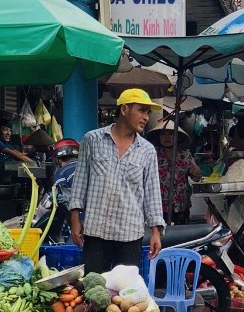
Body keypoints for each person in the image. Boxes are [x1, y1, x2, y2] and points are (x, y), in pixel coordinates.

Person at [70, 88, 165, 273]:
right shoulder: (92, 140)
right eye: (141, 110)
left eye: (148, 112)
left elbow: (152, 194)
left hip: (130, 235)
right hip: (96, 232)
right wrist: (75, 219)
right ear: (124, 109)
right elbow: (79, 183)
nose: (146, 117)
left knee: (125, 295)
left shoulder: (147, 150)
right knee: (94, 289)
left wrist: (155, 232)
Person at [146, 118, 202, 222]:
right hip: (158, 206)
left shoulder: (185, 155)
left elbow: (196, 178)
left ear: (177, 137)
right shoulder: (152, 154)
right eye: (163, 134)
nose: (167, 137)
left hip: (180, 205)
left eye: (171, 134)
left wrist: (197, 172)